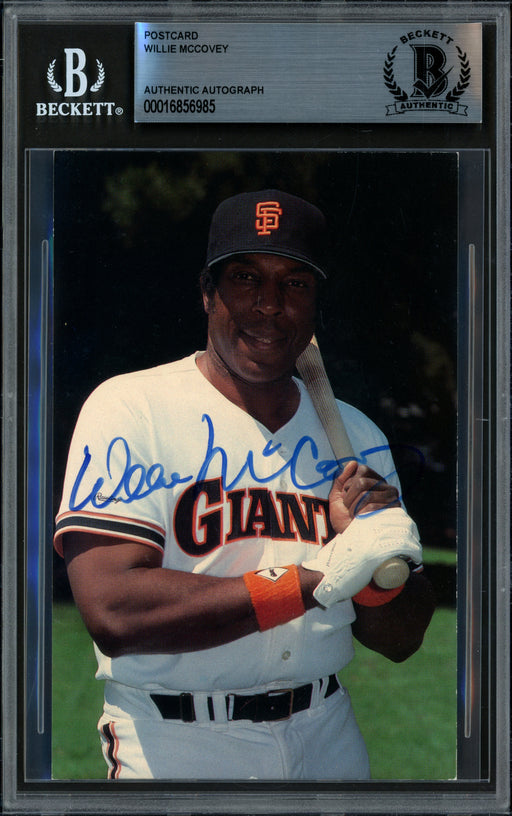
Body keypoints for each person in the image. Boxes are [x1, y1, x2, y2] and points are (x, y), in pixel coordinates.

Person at [54, 189, 435, 781]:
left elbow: (401, 640)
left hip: (326, 732)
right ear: (207, 293)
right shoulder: (132, 408)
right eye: (245, 278)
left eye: (294, 283)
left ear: (315, 303)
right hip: (176, 742)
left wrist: (377, 565)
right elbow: (113, 609)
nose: (269, 304)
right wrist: (315, 580)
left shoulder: (357, 436)